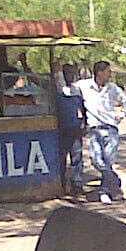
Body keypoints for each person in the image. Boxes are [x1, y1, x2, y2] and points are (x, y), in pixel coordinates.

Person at [58, 60, 126, 204]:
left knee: (108, 161)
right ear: (99, 72)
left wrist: (122, 114)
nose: (110, 75)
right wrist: (58, 74)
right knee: (97, 161)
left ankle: (105, 191)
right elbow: (66, 91)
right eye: (108, 72)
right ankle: (116, 181)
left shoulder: (112, 88)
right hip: (94, 130)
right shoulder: (84, 86)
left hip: (110, 129)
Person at [53, 62, 88, 196]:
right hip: (62, 129)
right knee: (61, 158)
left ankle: (77, 184)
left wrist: (84, 123)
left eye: (72, 73)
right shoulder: (58, 89)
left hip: (75, 128)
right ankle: (62, 183)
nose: (70, 76)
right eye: (67, 73)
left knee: (77, 157)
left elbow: (82, 108)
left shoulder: (76, 90)